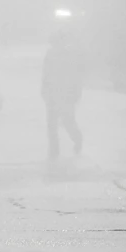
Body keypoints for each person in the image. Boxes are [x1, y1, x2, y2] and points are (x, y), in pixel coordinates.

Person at [42, 27, 84, 159]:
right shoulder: (50, 54)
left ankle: (77, 139)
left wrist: (76, 93)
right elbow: (46, 73)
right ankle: (54, 150)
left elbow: (76, 76)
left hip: (66, 94)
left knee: (67, 121)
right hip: (53, 93)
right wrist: (44, 89)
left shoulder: (70, 55)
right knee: (52, 124)